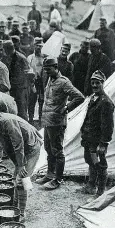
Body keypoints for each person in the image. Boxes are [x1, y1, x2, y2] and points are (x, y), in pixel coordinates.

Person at [35, 58, 85, 190]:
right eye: (45, 69)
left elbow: (79, 96)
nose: (46, 71)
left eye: (48, 69)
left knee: (57, 151)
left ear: (56, 67)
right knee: (48, 148)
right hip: (48, 121)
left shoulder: (64, 82)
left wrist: (67, 108)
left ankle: (58, 179)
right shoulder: (50, 79)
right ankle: (50, 174)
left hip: (57, 122)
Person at [80, 71, 115, 196]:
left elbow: (108, 126)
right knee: (90, 161)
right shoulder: (93, 98)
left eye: (97, 83)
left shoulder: (106, 102)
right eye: (93, 83)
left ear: (103, 83)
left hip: (97, 142)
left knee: (100, 164)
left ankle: (100, 192)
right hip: (89, 138)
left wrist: (104, 143)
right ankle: (90, 185)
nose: (94, 85)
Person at [3, 40, 31, 120]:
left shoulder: (21, 58)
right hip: (12, 88)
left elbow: (28, 73)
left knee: (22, 112)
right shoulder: (7, 58)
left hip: (21, 89)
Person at [27, 38, 46, 123]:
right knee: (32, 101)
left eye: (40, 46)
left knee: (42, 101)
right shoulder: (30, 57)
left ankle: (41, 119)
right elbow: (28, 70)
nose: (38, 47)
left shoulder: (44, 58)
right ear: (34, 46)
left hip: (42, 83)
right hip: (33, 81)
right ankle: (30, 119)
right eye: (37, 45)